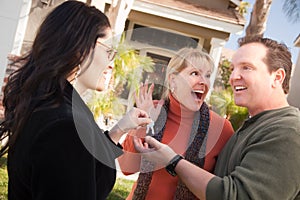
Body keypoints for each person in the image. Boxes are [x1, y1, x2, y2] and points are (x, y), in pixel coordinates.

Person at [0, 1, 152, 200]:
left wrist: (118, 130)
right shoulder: (65, 126)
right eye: (108, 52)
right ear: (81, 49)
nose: (111, 64)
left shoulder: (47, 102)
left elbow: (89, 176)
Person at [133, 37, 300, 200]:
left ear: (277, 77)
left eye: (246, 68)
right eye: (233, 68)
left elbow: (237, 194)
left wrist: (173, 161)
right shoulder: (250, 128)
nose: (233, 77)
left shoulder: (289, 132)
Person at [118, 47, 234, 199]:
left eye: (207, 76)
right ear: (173, 80)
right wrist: (141, 124)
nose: (203, 82)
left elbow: (223, 190)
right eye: (195, 73)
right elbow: (126, 168)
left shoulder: (221, 128)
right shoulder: (153, 110)